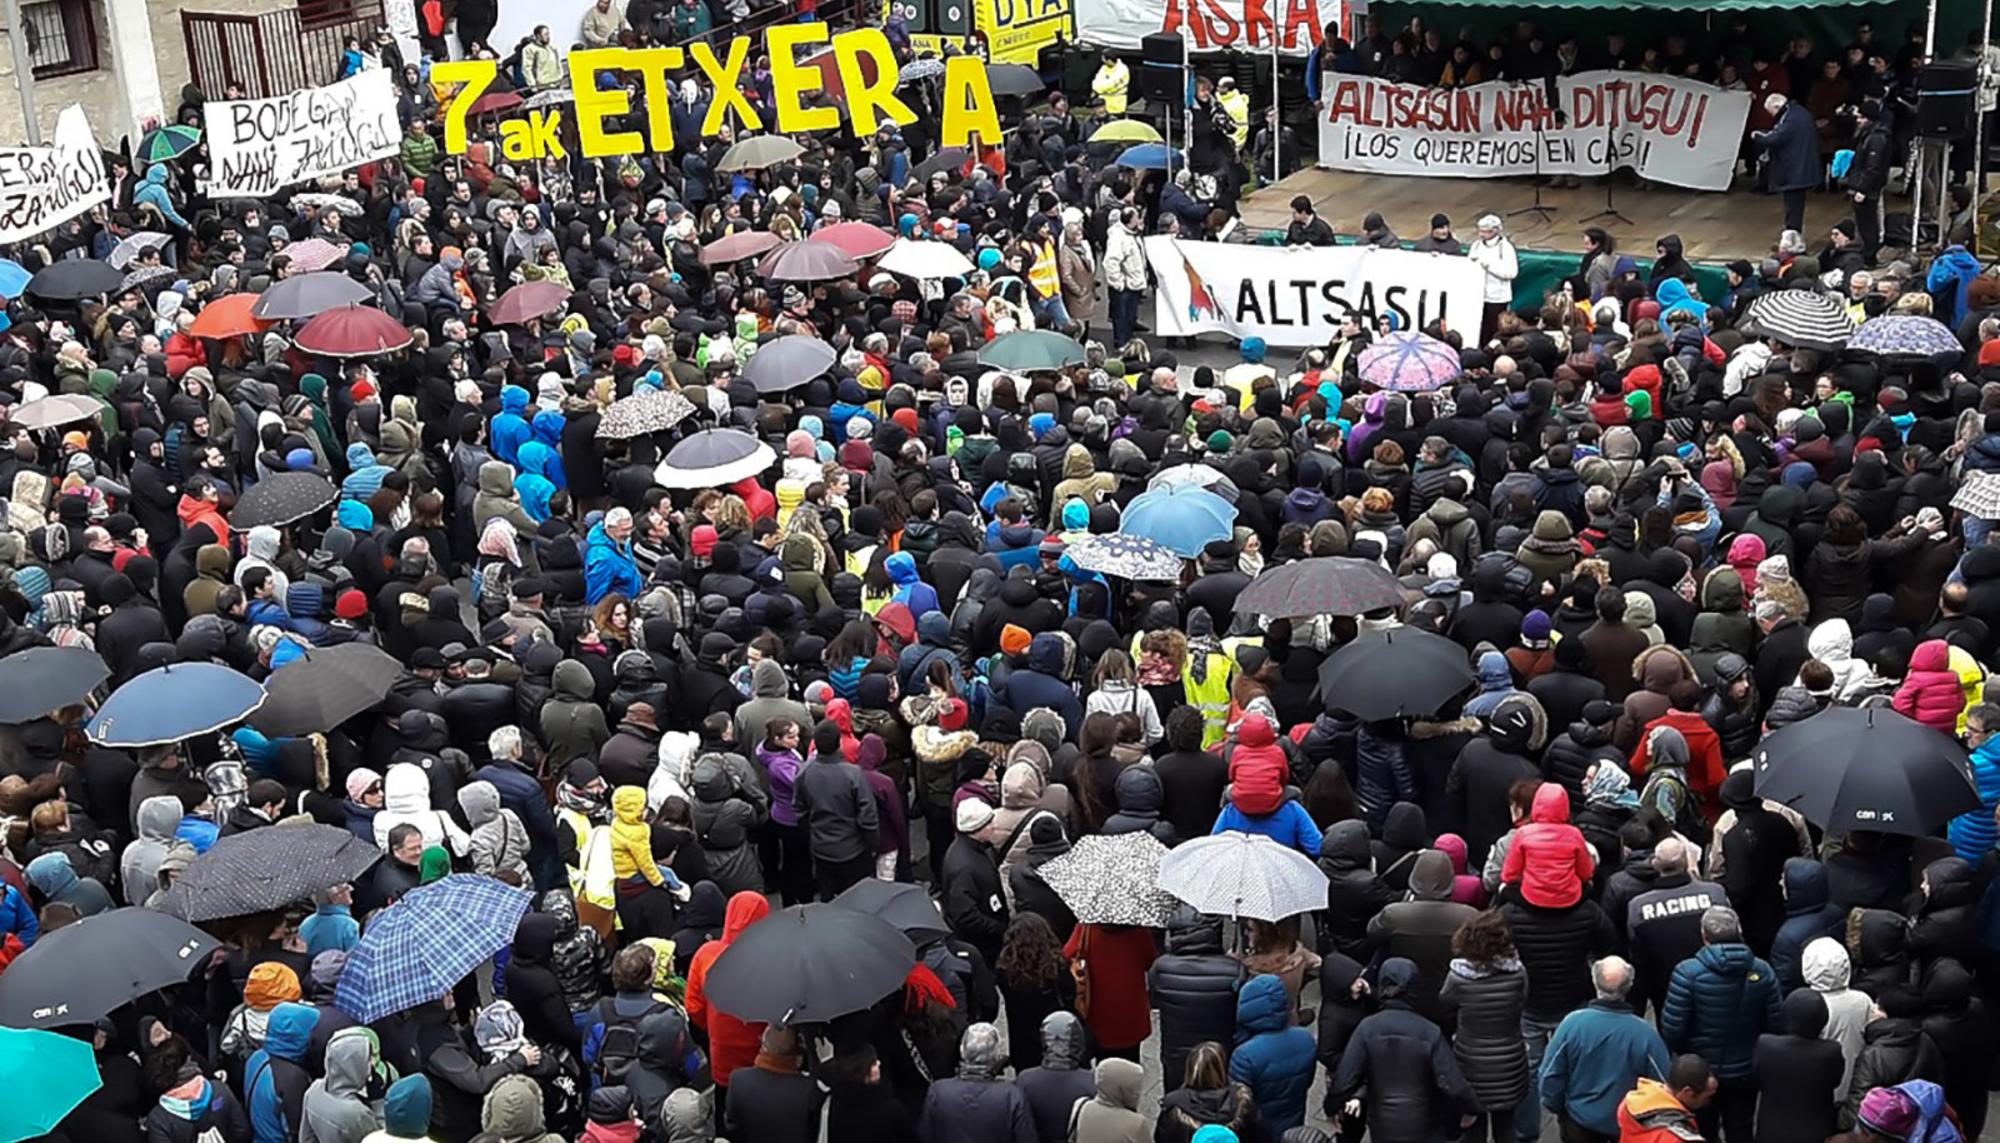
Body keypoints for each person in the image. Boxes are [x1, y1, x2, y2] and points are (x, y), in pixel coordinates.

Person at [1660, 907, 1782, 1143]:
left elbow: (1673, 1031)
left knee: (1702, 1131)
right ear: (1739, 932)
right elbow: (1776, 1024)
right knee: (1742, 1130)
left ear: (1704, 936)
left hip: (1701, 1076)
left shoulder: (1687, 974)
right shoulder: (1762, 971)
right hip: (1746, 1071)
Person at [1331, 957, 1479, 1143]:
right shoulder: (1429, 1032)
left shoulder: (1367, 1029)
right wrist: (1471, 1108)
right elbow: (1452, 1082)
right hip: (1425, 1124)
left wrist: (1332, 1107)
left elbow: (1345, 1078)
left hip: (1383, 1125)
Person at [1540, 956, 1672, 1143]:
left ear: (1595, 982)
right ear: (1629, 986)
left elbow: (1551, 1073)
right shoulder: (1645, 1034)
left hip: (1580, 1120)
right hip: (1627, 1123)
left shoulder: (1572, 1024)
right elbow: (1663, 1083)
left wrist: (1556, 1106)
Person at [916, 1023, 1035, 1143]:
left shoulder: (938, 1091)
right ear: (996, 1056)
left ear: (962, 1051)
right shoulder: (1012, 1095)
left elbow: (924, 1136)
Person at [1617, 1055, 1716, 1143]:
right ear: (1687, 1092)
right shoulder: (1678, 1138)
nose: (1708, 1102)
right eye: (1707, 1096)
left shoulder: (1632, 1104)